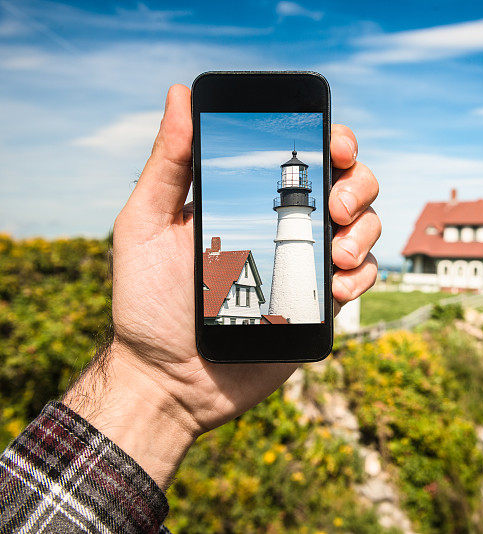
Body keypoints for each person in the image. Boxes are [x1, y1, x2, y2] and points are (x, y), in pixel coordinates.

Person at [0, 85, 381, 534]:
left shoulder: (285, 210)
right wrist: (150, 378)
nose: (294, 177)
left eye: (296, 174)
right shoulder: (280, 214)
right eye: (293, 174)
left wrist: (153, 387)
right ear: (290, 184)